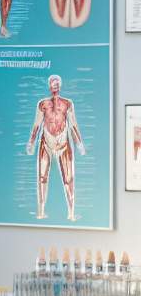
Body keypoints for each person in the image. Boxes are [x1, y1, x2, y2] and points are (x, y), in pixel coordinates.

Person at [26, 74, 85, 221]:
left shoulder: (67, 103)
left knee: (68, 179)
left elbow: (73, 124)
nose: (55, 86)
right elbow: (37, 124)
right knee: (42, 177)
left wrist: (80, 144)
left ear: (60, 86)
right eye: (53, 83)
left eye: (57, 83)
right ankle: (41, 211)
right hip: (46, 142)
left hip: (63, 143)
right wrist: (31, 142)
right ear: (49, 86)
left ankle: (71, 212)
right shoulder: (43, 104)